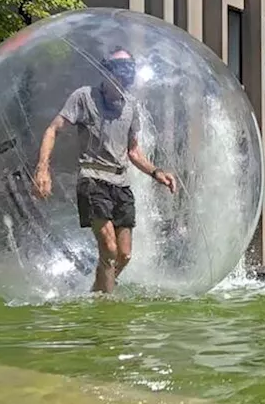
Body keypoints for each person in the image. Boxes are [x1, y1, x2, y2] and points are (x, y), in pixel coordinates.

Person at [32, 47, 177, 293]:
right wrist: (42, 169)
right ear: (106, 70)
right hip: (92, 179)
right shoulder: (84, 97)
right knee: (109, 250)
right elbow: (52, 129)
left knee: (124, 255)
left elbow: (133, 152)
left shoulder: (131, 106)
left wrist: (156, 172)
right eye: (119, 68)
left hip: (121, 184)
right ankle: (107, 308)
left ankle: (96, 292)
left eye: (129, 69)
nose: (125, 75)